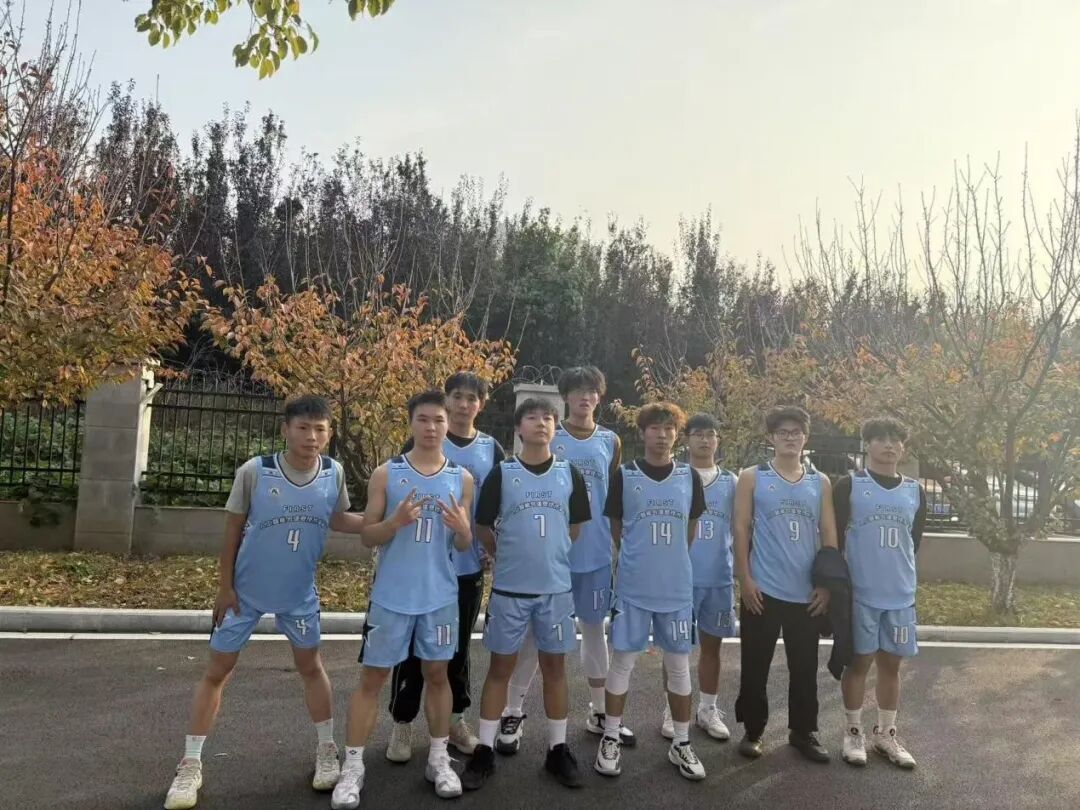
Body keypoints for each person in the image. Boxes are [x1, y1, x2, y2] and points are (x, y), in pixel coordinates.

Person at [163, 396, 364, 810]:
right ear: (286, 429)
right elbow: (231, 531)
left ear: (329, 434)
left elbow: (340, 519)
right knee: (217, 671)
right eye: (303, 428)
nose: (311, 437)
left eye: (320, 429)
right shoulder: (256, 471)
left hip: (298, 595)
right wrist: (224, 587)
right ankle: (190, 764)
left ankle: (327, 750)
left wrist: (390, 523)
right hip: (245, 594)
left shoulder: (333, 472)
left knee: (311, 667)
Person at [331, 391, 474, 808]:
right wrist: (393, 523)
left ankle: (438, 759)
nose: (431, 427)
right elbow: (367, 535)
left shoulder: (462, 478)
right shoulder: (386, 473)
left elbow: (463, 545)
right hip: (392, 596)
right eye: (423, 419)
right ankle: (352, 767)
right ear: (410, 423)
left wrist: (463, 529)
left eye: (439, 420)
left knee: (438, 674)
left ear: (448, 424)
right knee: (373, 678)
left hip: (440, 596)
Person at [498, 366, 635, 752]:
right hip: (549, 557)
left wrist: (619, 547)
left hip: (595, 554)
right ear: (566, 397)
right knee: (532, 635)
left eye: (591, 391)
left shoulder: (610, 440)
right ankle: (512, 711)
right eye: (577, 391)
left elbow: (612, 498)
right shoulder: (549, 435)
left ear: (599, 397)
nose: (585, 397)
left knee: (593, 631)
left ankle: (600, 712)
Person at [460, 397, 591, 790]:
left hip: (555, 590)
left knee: (555, 670)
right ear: (519, 428)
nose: (541, 423)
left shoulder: (570, 474)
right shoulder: (502, 474)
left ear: (555, 427)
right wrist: (506, 555)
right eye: (532, 417)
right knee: (500, 669)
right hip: (510, 590)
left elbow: (574, 529)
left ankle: (557, 750)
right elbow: (483, 528)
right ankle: (484, 750)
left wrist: (547, 555)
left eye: (548, 417)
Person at [386, 372, 506, 763]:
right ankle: (402, 722)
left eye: (472, 397)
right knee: (412, 651)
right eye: (457, 396)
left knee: (456, 650)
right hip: (421, 568)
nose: (464, 404)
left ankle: (455, 721)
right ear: (446, 400)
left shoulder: (491, 449)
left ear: (481, 404)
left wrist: (489, 544)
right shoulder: (425, 439)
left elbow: (498, 505)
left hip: (466, 567)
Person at [593, 402, 708, 781]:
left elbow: (690, 528)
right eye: (655, 428)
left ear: (677, 434)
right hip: (634, 587)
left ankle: (682, 742)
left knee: (678, 667)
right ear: (642, 433)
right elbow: (617, 527)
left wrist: (669, 559)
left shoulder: (689, 477)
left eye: (669, 428)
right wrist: (638, 557)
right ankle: (610, 736)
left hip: (675, 587)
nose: (662, 434)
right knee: (622, 662)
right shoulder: (625, 476)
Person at [733, 405, 839, 763]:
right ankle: (753, 730)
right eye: (783, 432)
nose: (790, 438)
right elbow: (740, 529)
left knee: (805, 668)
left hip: (805, 593)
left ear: (805, 437)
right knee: (755, 664)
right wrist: (745, 579)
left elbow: (829, 534)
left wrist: (826, 586)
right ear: (772, 438)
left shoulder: (819, 482)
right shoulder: (752, 476)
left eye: (796, 432)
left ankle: (803, 731)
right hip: (762, 589)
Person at [836, 417, 926, 769]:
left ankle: (886, 734)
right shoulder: (850, 485)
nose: (889, 445)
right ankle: (853, 732)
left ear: (903, 447)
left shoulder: (914, 490)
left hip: (900, 593)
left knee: (892, 664)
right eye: (880, 439)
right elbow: (835, 539)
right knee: (859, 662)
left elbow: (913, 541)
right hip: (862, 593)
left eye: (895, 439)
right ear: (867, 444)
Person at [660, 413, 737, 742]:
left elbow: (741, 529)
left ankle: (707, 709)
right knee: (675, 649)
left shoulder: (732, 482)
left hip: (718, 577)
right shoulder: (675, 476)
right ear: (686, 439)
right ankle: (671, 708)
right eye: (698, 434)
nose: (705, 440)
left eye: (711, 434)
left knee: (712, 648)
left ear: (718, 440)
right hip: (681, 578)